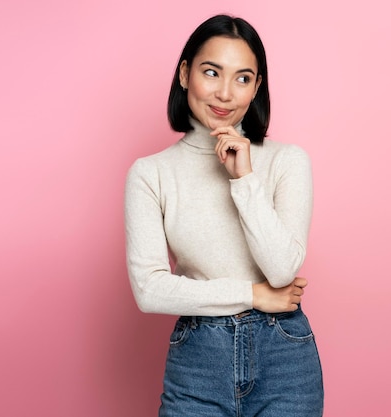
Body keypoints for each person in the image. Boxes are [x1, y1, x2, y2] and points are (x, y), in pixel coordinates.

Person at [124, 14, 324, 417]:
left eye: (243, 78)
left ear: (257, 87)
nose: (225, 94)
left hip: (284, 358)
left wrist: (244, 179)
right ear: (185, 73)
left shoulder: (287, 162)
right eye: (211, 72)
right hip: (198, 360)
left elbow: (282, 270)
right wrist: (253, 295)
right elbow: (149, 290)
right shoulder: (150, 173)